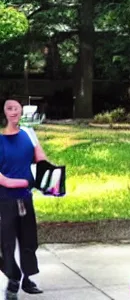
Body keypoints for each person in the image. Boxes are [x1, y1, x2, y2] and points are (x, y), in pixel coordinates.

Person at [0, 100, 46, 299]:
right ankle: (13, 279)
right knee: (7, 244)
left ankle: (27, 279)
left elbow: (40, 159)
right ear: (4, 112)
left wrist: (52, 178)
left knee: (28, 241)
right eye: (8, 109)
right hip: (5, 200)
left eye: (16, 108)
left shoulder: (28, 133)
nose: (13, 112)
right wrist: (20, 182)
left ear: (21, 111)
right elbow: (3, 180)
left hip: (26, 199)